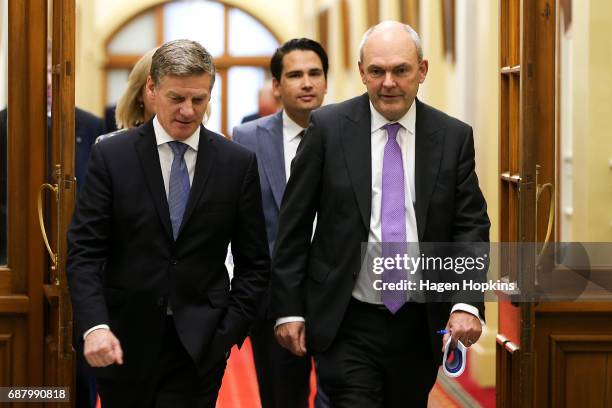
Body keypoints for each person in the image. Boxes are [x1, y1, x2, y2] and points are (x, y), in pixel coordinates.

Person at [271, 21, 490, 407]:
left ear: (421, 71)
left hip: (419, 322)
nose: (388, 82)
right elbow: (294, 222)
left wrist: (466, 302)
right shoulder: (328, 128)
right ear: (361, 72)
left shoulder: (452, 137)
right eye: (377, 71)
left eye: (400, 70)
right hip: (347, 318)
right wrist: (288, 308)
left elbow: (469, 226)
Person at [66, 39, 270, 407]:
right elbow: (85, 251)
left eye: (200, 99)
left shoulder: (236, 163)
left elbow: (254, 262)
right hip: (122, 341)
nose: (188, 111)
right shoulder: (112, 155)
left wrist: (227, 332)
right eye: (177, 98)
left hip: (200, 347)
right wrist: (95, 326)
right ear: (151, 90)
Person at [233, 38, 328, 408]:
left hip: (339, 293)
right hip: (273, 298)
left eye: (314, 73)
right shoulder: (248, 138)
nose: (306, 83)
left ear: (325, 81)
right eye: (295, 75)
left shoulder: (349, 132)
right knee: (281, 399)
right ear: (276, 85)